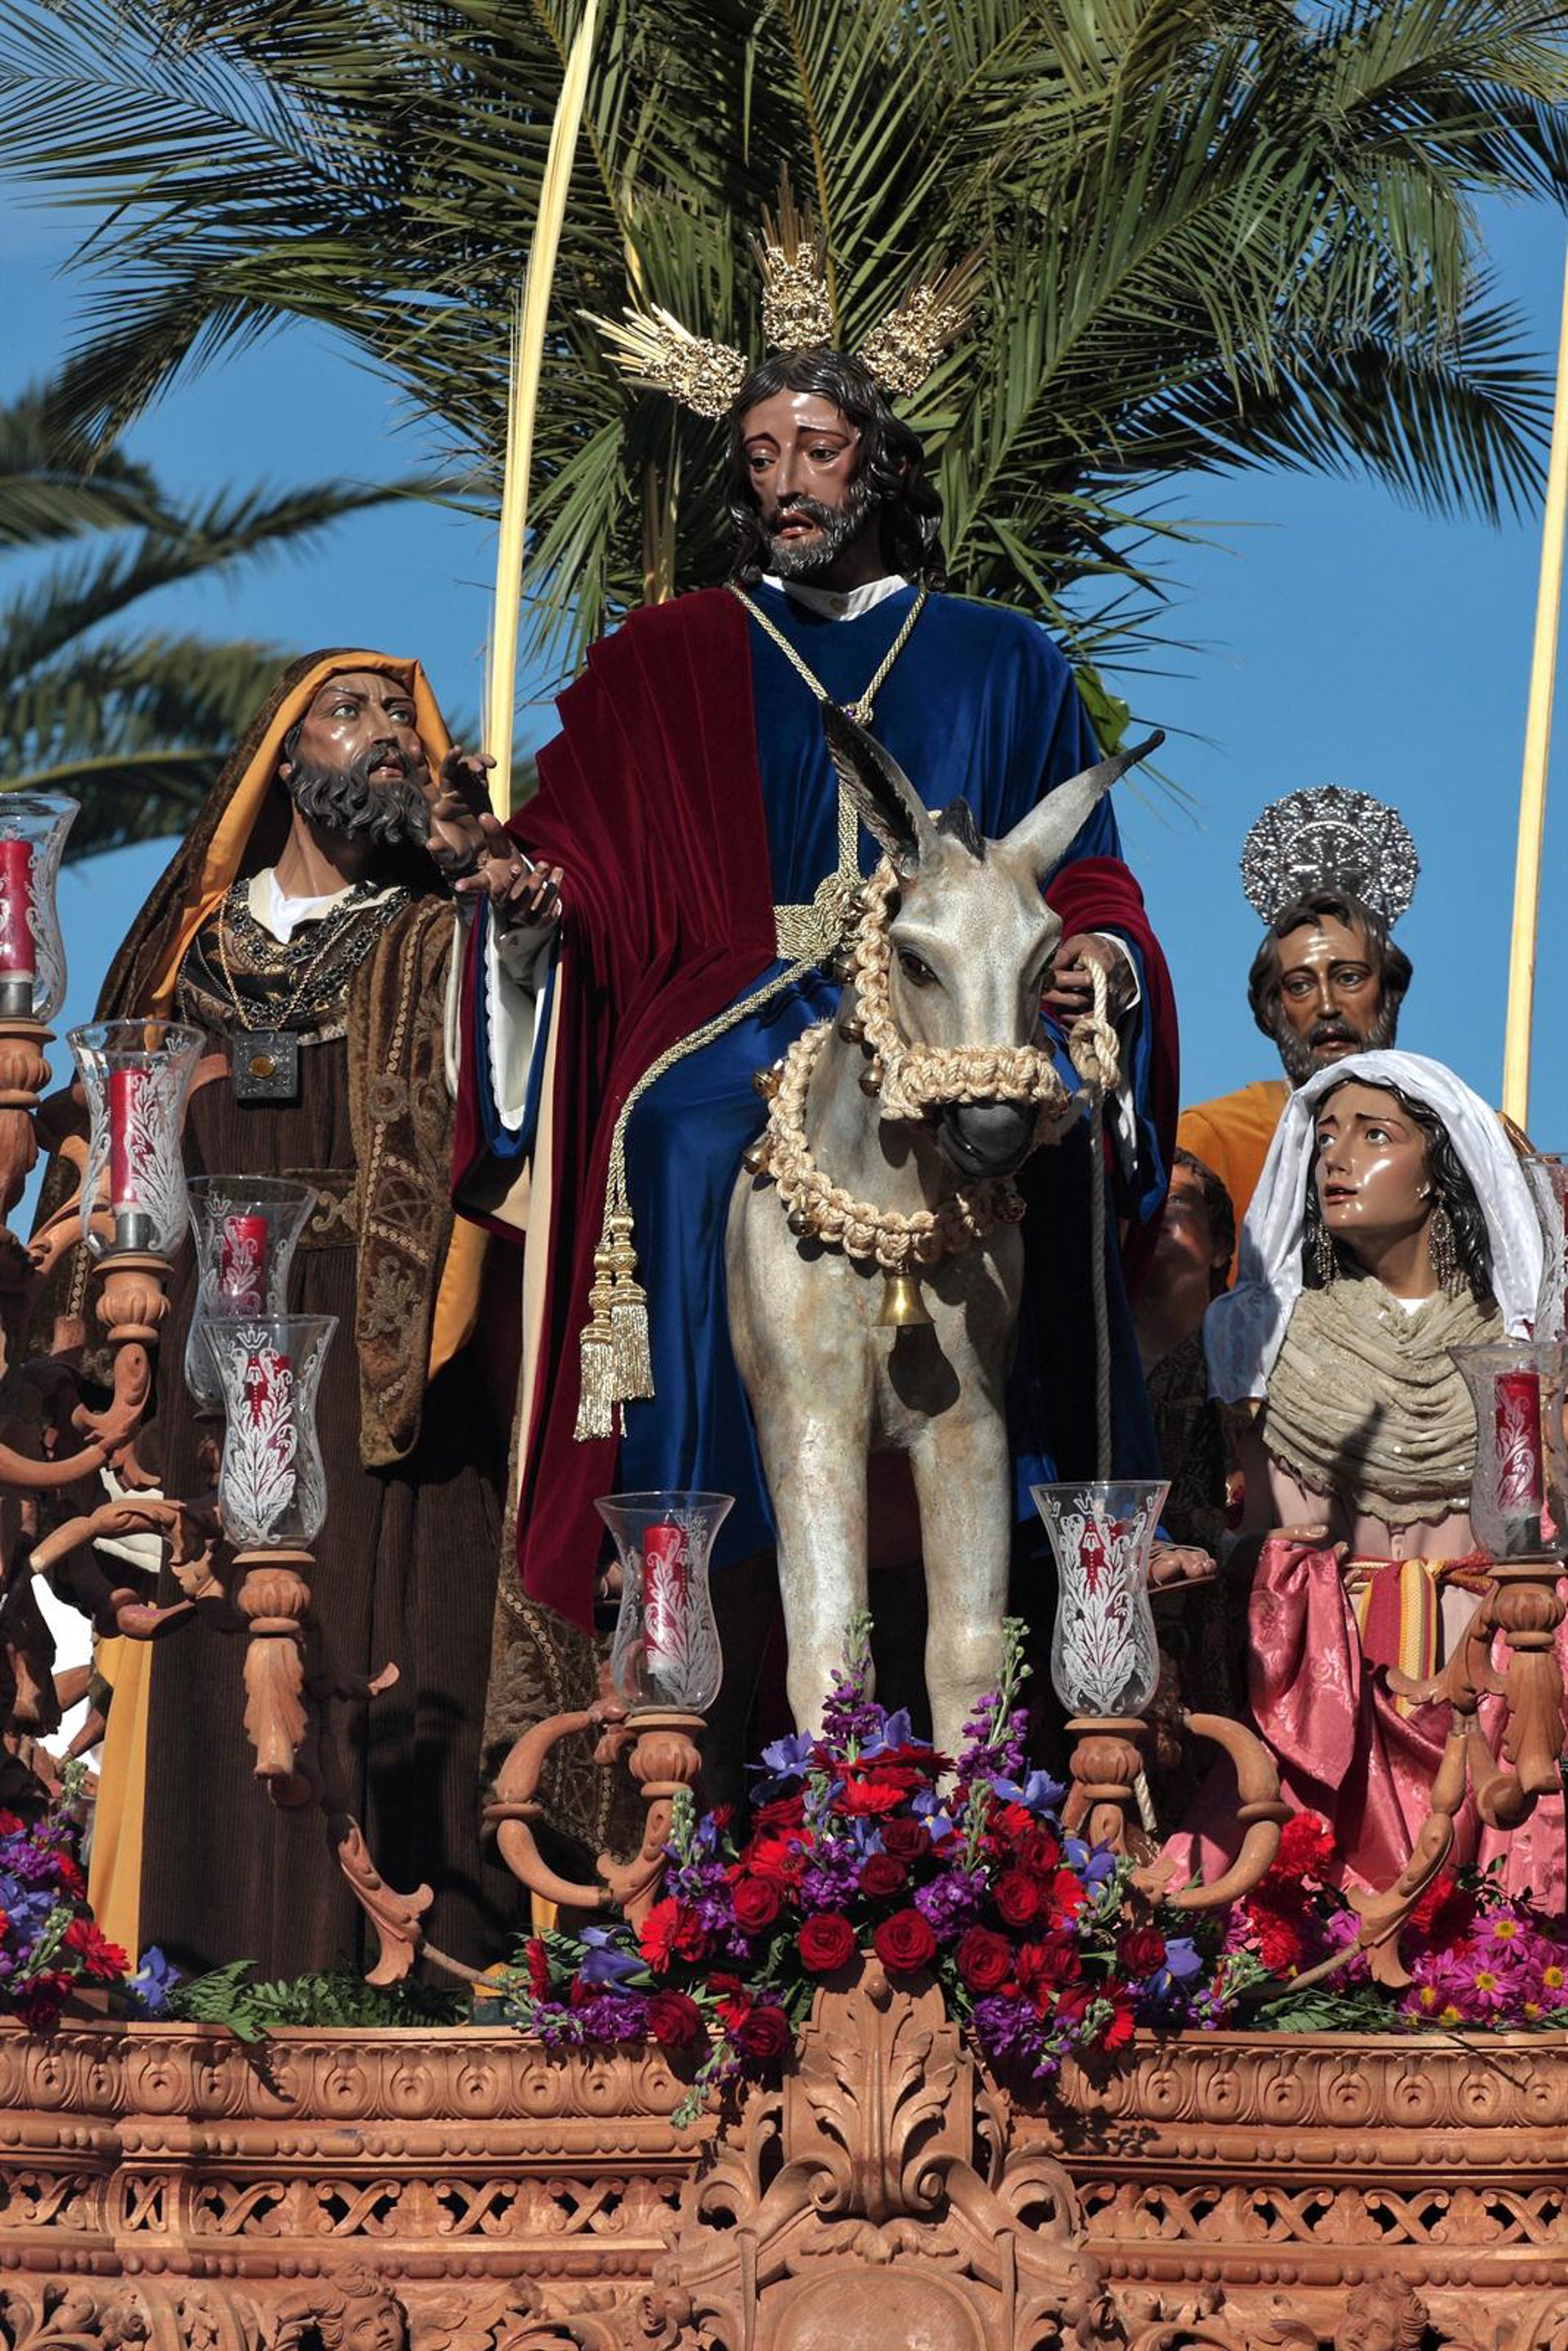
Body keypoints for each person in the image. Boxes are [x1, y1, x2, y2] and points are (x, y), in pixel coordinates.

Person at [453, 212, 1180, 1832]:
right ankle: (673, 1541)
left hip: (959, 996)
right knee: (675, 1131)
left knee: (1053, 1151)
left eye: (819, 448)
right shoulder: (674, 651)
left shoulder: (1003, 655)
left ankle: (1094, 1522)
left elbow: (1094, 876)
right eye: (762, 453)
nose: (788, 480)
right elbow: (581, 851)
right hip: (742, 996)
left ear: (879, 462)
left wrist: (1097, 964)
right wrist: (527, 896)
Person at [39, 652, 544, 1973]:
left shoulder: (439, 933)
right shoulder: (191, 947)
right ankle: (201, 1963)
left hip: (392, 1341)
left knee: (403, 1639)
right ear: (281, 751)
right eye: (349, 711)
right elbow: (115, 1144)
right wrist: (95, 1328)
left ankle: (416, 1976)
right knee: (211, 1643)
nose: (388, 736)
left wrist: (502, 909)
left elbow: (515, 1091)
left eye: (402, 716)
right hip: (204, 1339)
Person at [1178, 1048, 1564, 1904]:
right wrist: (1237, 1554)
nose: (1338, 1158)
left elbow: (1540, 1534)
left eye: (1375, 1135)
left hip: (1487, 1693)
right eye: (1325, 1138)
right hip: (1325, 1697)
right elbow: (1192, 1513)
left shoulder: (1521, 1345)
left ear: (1439, 1170)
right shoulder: (1256, 1339)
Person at [1178, 786, 1418, 1266]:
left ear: (1390, 991)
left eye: (1349, 978)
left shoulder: (1457, 1133)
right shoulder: (1217, 1137)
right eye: (1300, 986)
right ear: (1271, 1010)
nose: (1327, 1006)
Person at [1138, 1149, 1235, 1556]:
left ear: (1220, 1246)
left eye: (1176, 1199)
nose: (1157, 1209)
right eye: (1144, 1198)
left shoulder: (1254, 1360)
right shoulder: (1090, 1366)